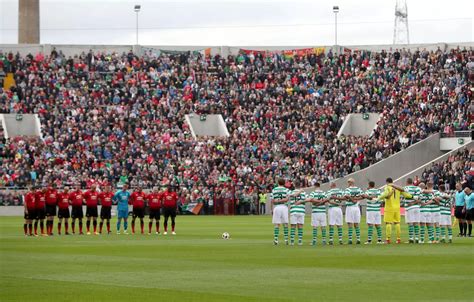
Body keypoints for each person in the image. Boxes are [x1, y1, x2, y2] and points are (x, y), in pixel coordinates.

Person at [378, 177, 411, 244]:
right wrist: (412, 197)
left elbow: (385, 194)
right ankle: (398, 239)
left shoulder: (387, 187)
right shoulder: (397, 188)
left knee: (388, 223)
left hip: (389, 207)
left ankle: (388, 239)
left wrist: (378, 198)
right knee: (397, 223)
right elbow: (405, 194)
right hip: (397, 208)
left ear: (387, 182)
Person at [271, 179, 291, 245]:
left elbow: (272, 201)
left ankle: (276, 240)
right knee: (285, 224)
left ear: (278, 183)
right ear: (284, 183)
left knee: (277, 224)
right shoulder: (286, 190)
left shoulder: (274, 190)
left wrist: (271, 209)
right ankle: (286, 240)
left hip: (277, 207)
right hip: (284, 207)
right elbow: (287, 199)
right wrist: (283, 200)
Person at [343, 178, 364, 244]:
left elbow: (346, 195)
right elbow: (363, 196)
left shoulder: (348, 189)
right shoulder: (358, 189)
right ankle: (358, 239)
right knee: (356, 224)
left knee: (350, 224)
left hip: (350, 207)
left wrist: (352, 200)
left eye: (348, 182)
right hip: (356, 207)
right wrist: (357, 199)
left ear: (350, 182)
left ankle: (350, 239)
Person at [404, 178, 422, 243]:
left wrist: (411, 203)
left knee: (410, 223)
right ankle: (417, 238)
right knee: (416, 223)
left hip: (409, 208)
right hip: (417, 207)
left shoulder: (406, 188)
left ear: (407, 182)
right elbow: (420, 199)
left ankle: (411, 239)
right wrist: (414, 202)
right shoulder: (418, 188)